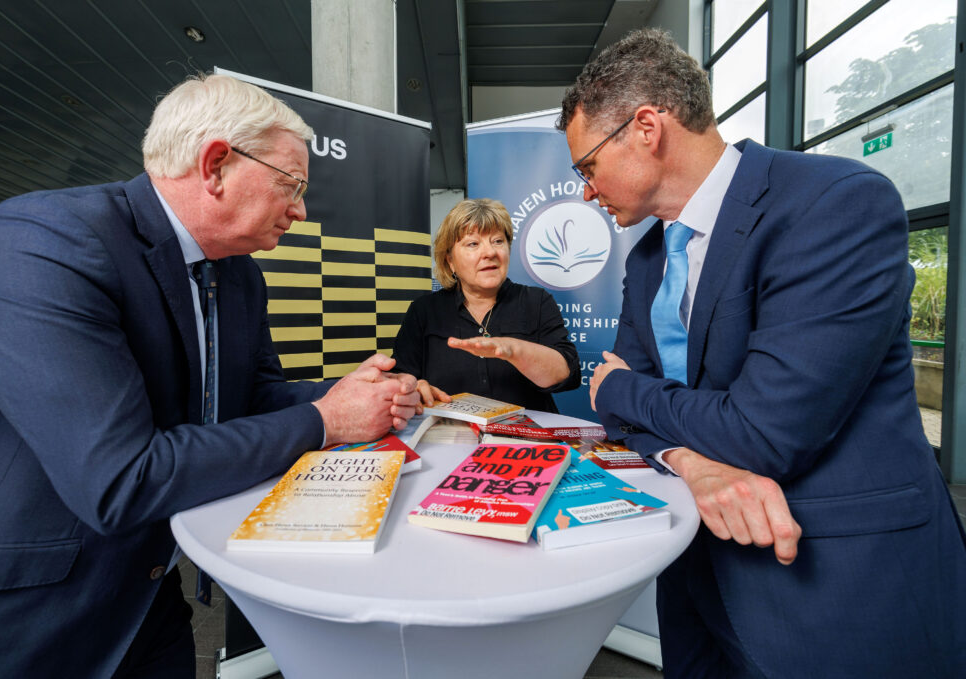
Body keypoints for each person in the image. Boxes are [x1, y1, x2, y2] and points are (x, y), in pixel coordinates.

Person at [0, 74, 420, 678]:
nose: (300, 210)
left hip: (149, 594)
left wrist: (356, 395)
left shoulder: (240, 273)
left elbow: (252, 396)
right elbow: (120, 480)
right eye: (291, 185)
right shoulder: (41, 243)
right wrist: (329, 420)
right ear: (216, 165)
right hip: (25, 613)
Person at [559, 28, 966, 678]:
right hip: (694, 576)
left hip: (831, 589)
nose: (586, 190)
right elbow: (624, 424)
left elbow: (761, 432)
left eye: (587, 166)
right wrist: (688, 460)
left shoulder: (833, 204)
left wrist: (620, 387)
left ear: (646, 129)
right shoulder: (646, 258)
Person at [392, 198, 580, 412]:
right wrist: (413, 387)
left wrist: (513, 350)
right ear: (450, 260)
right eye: (473, 244)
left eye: (498, 241)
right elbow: (400, 378)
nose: (490, 253)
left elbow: (567, 374)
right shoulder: (424, 311)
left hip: (527, 432)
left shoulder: (536, 301)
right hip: (449, 431)